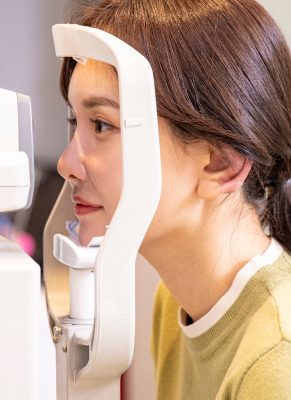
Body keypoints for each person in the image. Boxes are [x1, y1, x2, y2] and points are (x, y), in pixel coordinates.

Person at [56, 0, 291, 398]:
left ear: (221, 163)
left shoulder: (276, 361)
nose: (66, 164)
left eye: (102, 125)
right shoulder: (174, 301)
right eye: (75, 122)